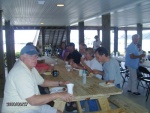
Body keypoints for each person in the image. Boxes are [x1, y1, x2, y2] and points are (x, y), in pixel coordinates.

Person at [1, 44, 73, 113]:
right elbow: (33, 100)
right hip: (19, 109)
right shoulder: (20, 72)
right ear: (22, 57)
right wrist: (57, 94)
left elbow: (42, 82)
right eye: (30, 56)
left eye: (35, 56)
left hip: (32, 106)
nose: (34, 58)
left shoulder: (30, 67)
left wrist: (60, 83)